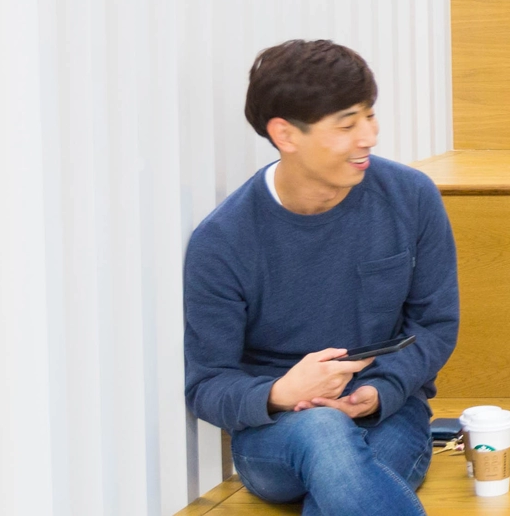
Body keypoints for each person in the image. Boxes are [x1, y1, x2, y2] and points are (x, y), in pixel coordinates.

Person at [184, 40, 460, 516]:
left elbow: (434, 325)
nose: (369, 137)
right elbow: (207, 383)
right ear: (286, 135)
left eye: (370, 117)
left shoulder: (411, 197)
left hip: (388, 414)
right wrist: (278, 393)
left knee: (342, 486)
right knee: (324, 434)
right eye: (348, 124)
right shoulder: (223, 240)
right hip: (276, 437)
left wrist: (379, 391)